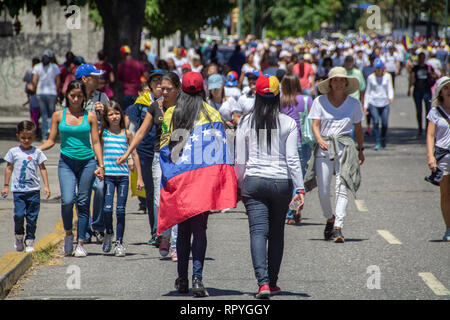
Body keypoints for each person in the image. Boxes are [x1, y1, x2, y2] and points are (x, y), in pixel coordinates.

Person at [157, 72, 237, 297]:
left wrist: (169, 177)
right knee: (199, 231)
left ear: (181, 90)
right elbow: (221, 152)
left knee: (183, 230)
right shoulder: (213, 113)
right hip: (203, 182)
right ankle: (197, 278)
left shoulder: (171, 113)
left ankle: (182, 279)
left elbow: (164, 151)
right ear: (202, 89)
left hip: (181, 181)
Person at [235, 75, 305, 299]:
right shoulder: (288, 122)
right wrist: (300, 188)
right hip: (281, 183)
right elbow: (293, 159)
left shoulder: (245, 122)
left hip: (253, 182)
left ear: (256, 95)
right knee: (276, 234)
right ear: (278, 97)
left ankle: (262, 283)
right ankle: (272, 282)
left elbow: (239, 160)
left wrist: (238, 185)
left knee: (257, 231)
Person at [38, 80, 105, 257]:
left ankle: (80, 242)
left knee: (83, 202)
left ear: (84, 97)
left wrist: (101, 164)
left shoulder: (90, 116)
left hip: (88, 162)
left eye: (79, 96)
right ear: (67, 95)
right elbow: (52, 140)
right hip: (66, 162)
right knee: (67, 201)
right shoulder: (58, 115)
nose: (75, 99)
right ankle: (69, 234)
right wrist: (36, 149)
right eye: (72, 95)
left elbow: (96, 141)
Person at [118, 72, 181, 261]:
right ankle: (163, 234)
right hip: (158, 156)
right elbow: (140, 132)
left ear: (177, 89)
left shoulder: (184, 106)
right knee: (158, 199)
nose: (164, 91)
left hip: (180, 157)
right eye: (162, 87)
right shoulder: (154, 107)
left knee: (176, 200)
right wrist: (127, 153)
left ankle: (175, 243)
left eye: (169, 88)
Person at [304, 66, 365, 243]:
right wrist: (319, 140)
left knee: (342, 186)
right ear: (330, 83)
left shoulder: (354, 104)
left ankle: (338, 226)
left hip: (345, 147)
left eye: (341, 80)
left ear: (346, 82)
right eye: (335, 80)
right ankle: (329, 218)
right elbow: (315, 125)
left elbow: (359, 128)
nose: (338, 83)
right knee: (323, 190)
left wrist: (361, 150)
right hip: (324, 147)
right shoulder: (320, 101)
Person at [126, 69, 164, 246]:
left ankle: (165, 230)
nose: (158, 84)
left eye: (161, 81)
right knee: (151, 194)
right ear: (149, 86)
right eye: (155, 81)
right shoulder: (140, 104)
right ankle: (155, 231)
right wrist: (130, 155)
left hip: (165, 151)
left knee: (164, 192)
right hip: (145, 153)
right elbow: (133, 130)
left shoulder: (170, 103)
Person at [101, 100, 144, 256]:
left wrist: (139, 178)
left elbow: (135, 154)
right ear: (106, 116)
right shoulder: (103, 134)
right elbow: (97, 151)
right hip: (108, 176)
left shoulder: (127, 134)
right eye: (110, 114)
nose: (114, 117)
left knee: (120, 210)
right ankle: (109, 233)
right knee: (107, 208)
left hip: (124, 176)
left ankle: (119, 242)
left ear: (122, 115)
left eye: (117, 113)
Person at [2, 121, 50, 253]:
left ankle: (30, 240)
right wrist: (6, 185)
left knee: (32, 217)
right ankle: (18, 236)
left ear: (34, 137)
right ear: (18, 136)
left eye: (29, 137)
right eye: (23, 137)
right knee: (18, 215)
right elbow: (8, 168)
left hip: (34, 191)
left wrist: (46, 186)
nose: (26, 140)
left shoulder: (37, 152)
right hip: (18, 191)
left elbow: (43, 169)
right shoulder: (13, 152)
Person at [75, 64, 110, 243]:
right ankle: (85, 228)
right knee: (82, 192)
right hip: (78, 150)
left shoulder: (103, 97)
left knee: (99, 187)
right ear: (84, 79)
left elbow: (112, 124)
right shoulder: (73, 97)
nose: (98, 80)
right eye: (94, 77)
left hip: (98, 150)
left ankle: (98, 226)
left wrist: (103, 114)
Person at [280, 73, 313, 225]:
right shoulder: (306, 100)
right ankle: (292, 211)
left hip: (283, 144)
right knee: (298, 180)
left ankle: (292, 210)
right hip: (302, 143)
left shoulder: (280, 102)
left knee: (288, 179)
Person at [426, 76, 450, 241]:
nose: (449, 90)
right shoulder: (435, 112)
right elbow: (430, 135)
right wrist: (430, 156)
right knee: (445, 193)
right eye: (446, 88)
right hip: (443, 155)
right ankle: (448, 228)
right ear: (441, 91)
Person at [363, 59, 394, 150]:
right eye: (377, 68)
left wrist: (390, 96)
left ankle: (383, 138)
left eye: (380, 68)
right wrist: (365, 105)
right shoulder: (370, 77)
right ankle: (377, 141)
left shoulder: (387, 76)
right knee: (376, 122)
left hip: (384, 102)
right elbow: (368, 91)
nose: (379, 70)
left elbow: (390, 88)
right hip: (373, 102)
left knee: (384, 123)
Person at [32, 49, 61, 141]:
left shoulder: (37, 67)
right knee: (51, 115)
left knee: (44, 115)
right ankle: (50, 132)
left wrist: (34, 89)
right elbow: (58, 81)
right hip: (52, 93)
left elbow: (34, 80)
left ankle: (44, 136)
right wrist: (57, 92)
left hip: (40, 93)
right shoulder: (55, 67)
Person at [408, 52, 438, 137]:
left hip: (426, 91)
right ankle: (420, 128)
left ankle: (428, 127)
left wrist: (430, 73)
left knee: (428, 110)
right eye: (420, 57)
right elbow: (412, 78)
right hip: (417, 90)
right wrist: (409, 88)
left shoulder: (428, 67)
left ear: (425, 58)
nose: (421, 59)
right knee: (419, 110)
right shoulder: (415, 68)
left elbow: (436, 76)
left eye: (423, 57)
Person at [117, 45, 147, 110]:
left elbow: (119, 79)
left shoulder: (121, 65)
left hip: (126, 92)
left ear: (122, 55)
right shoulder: (138, 63)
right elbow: (146, 75)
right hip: (137, 92)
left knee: (127, 113)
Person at [23, 57, 41, 137]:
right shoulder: (42, 70)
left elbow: (27, 84)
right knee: (38, 114)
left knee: (34, 114)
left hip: (33, 95)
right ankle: (36, 128)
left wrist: (28, 95)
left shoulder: (30, 71)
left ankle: (35, 129)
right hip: (40, 94)